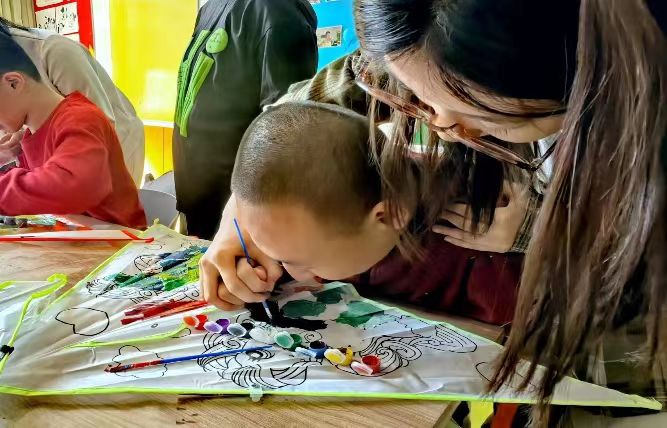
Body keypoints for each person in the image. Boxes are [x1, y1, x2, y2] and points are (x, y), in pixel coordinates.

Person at [201, 0, 667, 421]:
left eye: (476, 111)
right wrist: (240, 223)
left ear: (574, 77)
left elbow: (635, 275)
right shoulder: (417, 39)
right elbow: (285, 127)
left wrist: (546, 230)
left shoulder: (635, 124)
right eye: (417, 97)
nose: (439, 124)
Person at [231, 101, 521, 325]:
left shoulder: (482, 239)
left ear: (388, 216)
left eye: (300, 262)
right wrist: (246, 270)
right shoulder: (326, 221)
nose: (292, 274)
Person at [173, 0, 318, 240]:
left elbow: (285, 125)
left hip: (239, 211)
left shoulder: (278, 10)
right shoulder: (210, 8)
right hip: (197, 196)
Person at [0, 30, 146, 229]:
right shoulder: (29, 134)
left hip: (121, 240)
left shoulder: (81, 119)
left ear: (13, 83)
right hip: (79, 235)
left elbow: (73, 187)